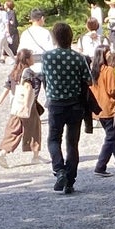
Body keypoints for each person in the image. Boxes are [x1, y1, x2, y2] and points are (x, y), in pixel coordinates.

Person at [41, 21, 91, 193]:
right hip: (75, 104)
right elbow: (88, 80)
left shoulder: (47, 57)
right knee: (72, 143)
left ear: (55, 37)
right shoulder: (79, 57)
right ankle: (70, 180)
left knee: (53, 139)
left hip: (56, 104)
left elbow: (45, 79)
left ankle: (59, 170)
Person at [0, 48, 45, 167]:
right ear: (26, 59)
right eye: (31, 56)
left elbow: (6, 89)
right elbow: (27, 88)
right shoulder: (28, 72)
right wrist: (26, 106)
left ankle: (2, 152)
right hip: (27, 105)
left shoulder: (14, 72)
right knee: (34, 128)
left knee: (13, 130)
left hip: (15, 105)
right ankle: (35, 156)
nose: (33, 58)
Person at [91, 47, 115, 173]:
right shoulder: (109, 70)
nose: (110, 54)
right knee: (111, 137)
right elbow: (112, 90)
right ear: (103, 55)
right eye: (108, 52)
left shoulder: (94, 71)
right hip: (109, 108)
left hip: (98, 108)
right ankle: (100, 166)